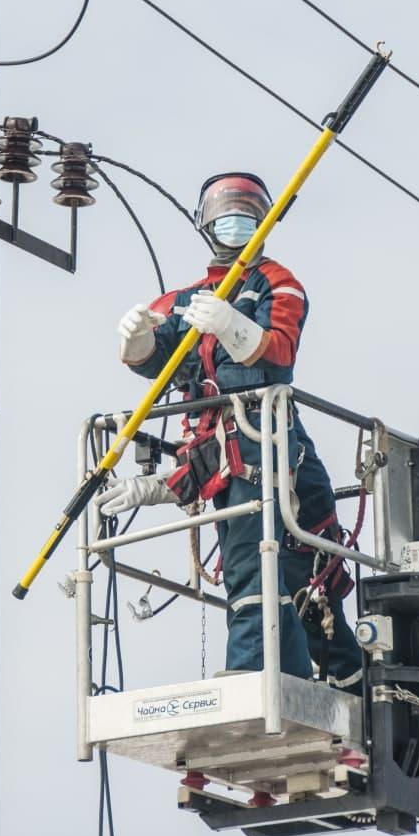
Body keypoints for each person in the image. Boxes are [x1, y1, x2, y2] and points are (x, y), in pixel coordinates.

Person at [97, 172, 362, 688]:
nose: (234, 220)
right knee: (262, 565)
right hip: (232, 450)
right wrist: (136, 340)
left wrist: (232, 324)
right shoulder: (185, 298)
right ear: (205, 222)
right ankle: (294, 673)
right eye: (224, 210)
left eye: (245, 210)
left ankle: (303, 673)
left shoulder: (277, 283)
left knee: (297, 570)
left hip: (275, 443)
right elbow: (159, 363)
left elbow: (278, 351)